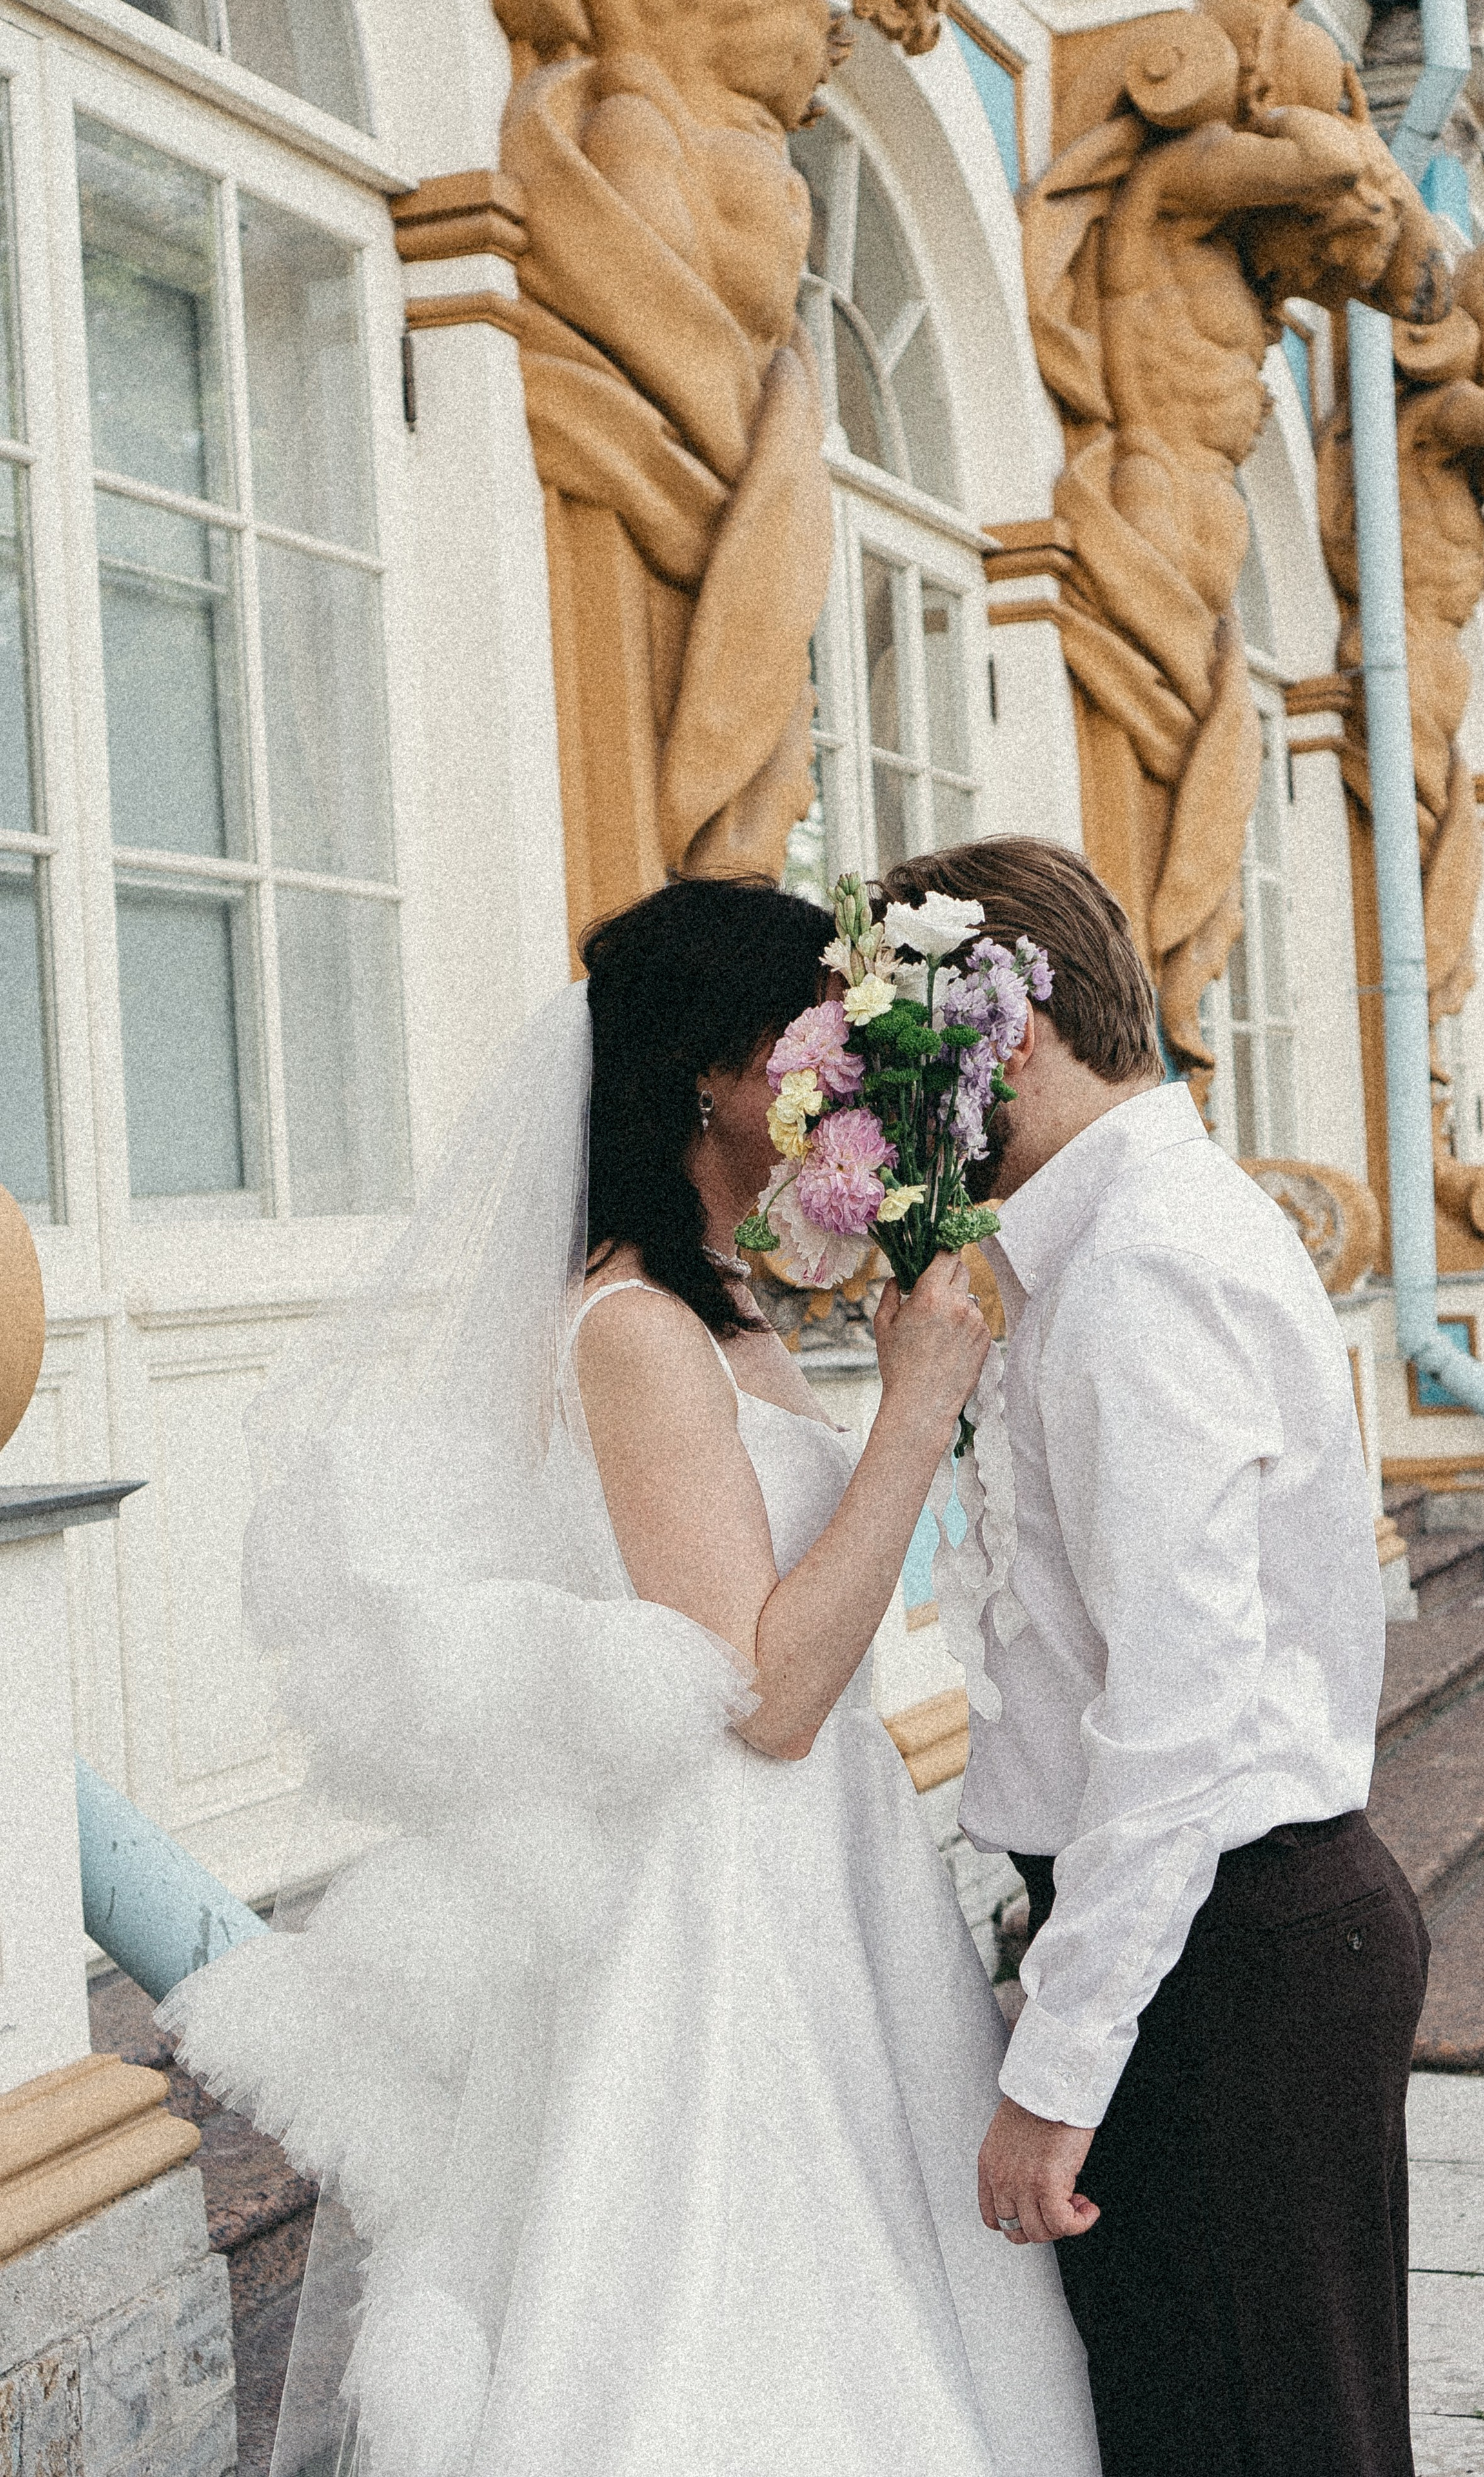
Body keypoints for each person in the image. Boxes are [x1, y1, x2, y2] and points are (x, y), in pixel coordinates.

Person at [160, 877, 1102, 2477]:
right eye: (815, 1045)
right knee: (731, 2323)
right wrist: (910, 1402)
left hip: (828, 1873)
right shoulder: (634, 1329)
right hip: (725, 1899)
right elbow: (767, 1698)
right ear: (714, 1076)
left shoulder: (723, 1307)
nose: (842, 1085)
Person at [879, 838, 1429, 2477]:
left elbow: (1176, 1713)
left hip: (1224, 1955)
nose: (889, 1121)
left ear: (1012, 1034)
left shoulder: (1137, 1266)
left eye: (903, 1060)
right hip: (1211, 1939)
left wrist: (1057, 2070)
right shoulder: (1118, 1237)